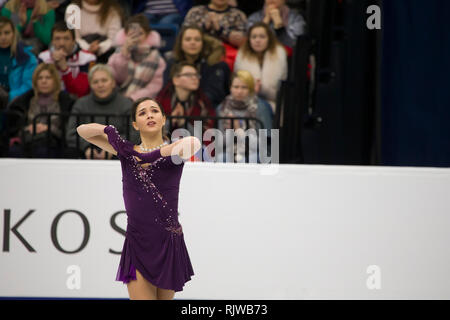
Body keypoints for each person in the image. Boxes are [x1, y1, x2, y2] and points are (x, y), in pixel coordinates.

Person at [76, 97, 198, 299]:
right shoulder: (126, 152)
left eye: (154, 111)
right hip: (139, 242)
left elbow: (194, 142)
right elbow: (82, 130)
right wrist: (108, 130)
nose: (149, 115)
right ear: (135, 124)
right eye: (142, 113)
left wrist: (146, 156)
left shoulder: (174, 152)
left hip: (167, 241)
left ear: (163, 118)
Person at [65, 64, 136, 159]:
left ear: (113, 82)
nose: (100, 85)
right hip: (85, 153)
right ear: (90, 85)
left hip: (118, 153)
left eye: (104, 80)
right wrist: (87, 147)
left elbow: (134, 133)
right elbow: (71, 134)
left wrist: (113, 147)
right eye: (95, 82)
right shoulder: (80, 104)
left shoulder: (127, 104)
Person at [7, 63, 75, 158]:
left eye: (48, 78)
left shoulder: (65, 101)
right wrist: (28, 128)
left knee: (42, 150)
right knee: (14, 151)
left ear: (55, 80)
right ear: (35, 81)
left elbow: (68, 130)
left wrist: (48, 128)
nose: (44, 81)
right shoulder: (25, 100)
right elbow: (15, 127)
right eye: (40, 78)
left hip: (54, 143)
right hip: (28, 140)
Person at [163, 25, 230, 108]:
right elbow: (166, 91)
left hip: (202, 111)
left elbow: (214, 95)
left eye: (197, 39)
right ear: (180, 43)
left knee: (197, 120)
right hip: (175, 108)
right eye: (188, 39)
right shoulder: (171, 64)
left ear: (203, 43)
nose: (193, 43)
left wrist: (192, 104)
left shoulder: (213, 65)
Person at [216, 70, 273, 163]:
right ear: (230, 88)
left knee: (249, 160)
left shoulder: (261, 107)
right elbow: (219, 142)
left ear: (250, 89)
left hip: (256, 151)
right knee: (221, 158)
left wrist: (239, 130)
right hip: (230, 150)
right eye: (236, 87)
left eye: (244, 87)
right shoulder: (222, 108)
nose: (239, 91)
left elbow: (266, 141)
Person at [108, 14, 166, 101]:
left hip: (144, 104)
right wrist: (124, 54)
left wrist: (132, 99)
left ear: (147, 35)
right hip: (117, 102)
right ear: (125, 35)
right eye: (132, 33)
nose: (136, 38)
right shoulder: (115, 57)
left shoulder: (157, 60)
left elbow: (154, 86)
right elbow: (119, 79)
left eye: (140, 33)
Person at [234, 22, 287, 113]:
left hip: (274, 103)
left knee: (263, 108)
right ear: (249, 39)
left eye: (262, 37)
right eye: (254, 37)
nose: (257, 40)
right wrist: (251, 91)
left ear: (269, 39)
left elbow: (281, 87)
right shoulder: (241, 55)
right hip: (245, 103)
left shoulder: (279, 54)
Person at [38, 21, 96, 98]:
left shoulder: (88, 58)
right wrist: (53, 66)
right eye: (57, 39)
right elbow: (41, 88)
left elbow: (81, 91)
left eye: (66, 38)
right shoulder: (43, 58)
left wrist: (65, 69)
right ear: (52, 41)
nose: (62, 43)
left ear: (73, 41)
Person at [157, 61, 216, 136]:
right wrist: (171, 121)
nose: (195, 78)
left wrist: (184, 123)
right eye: (188, 75)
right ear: (175, 80)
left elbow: (206, 137)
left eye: (196, 75)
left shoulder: (203, 102)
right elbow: (152, 133)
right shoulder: (160, 101)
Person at [0, 16, 37, 103]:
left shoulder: (27, 57)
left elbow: (28, 86)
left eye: (7, 33)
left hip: (16, 104)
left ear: (13, 34)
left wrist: (8, 97)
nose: (3, 37)